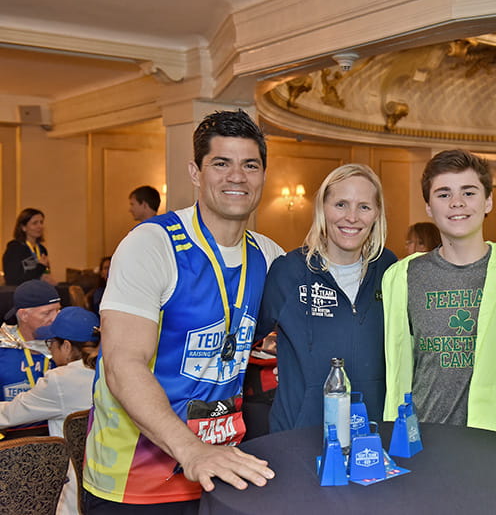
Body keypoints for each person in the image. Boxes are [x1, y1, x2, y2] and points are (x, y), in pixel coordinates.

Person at [84, 110, 284, 513]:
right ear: (195, 172)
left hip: (223, 470)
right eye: (221, 163)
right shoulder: (152, 245)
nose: (237, 177)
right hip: (136, 482)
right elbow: (123, 364)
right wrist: (192, 451)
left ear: (263, 175)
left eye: (250, 165)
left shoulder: (269, 255)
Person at [383, 150, 496, 440]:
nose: (457, 203)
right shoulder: (403, 276)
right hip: (425, 438)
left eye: (469, 192)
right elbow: (398, 366)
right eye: (443, 194)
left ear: (488, 200)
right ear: (428, 207)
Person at [257, 164, 396, 433]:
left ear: (377, 214)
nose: (352, 217)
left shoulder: (390, 269)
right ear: (323, 208)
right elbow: (250, 338)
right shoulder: (288, 271)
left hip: (374, 434)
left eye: (364, 207)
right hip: (299, 434)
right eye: (341, 204)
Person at [0, 306, 100, 515]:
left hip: (73, 494)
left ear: (66, 346)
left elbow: (10, 414)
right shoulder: (109, 367)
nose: (50, 350)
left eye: (51, 343)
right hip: (105, 482)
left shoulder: (62, 380)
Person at [0, 280, 61, 436]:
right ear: (24, 315)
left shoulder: (66, 346)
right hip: (9, 442)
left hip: (57, 438)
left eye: (58, 311)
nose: (55, 319)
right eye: (47, 313)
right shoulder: (3, 349)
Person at [3, 207, 57, 286]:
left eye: (41, 222)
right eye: (35, 223)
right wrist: (40, 267)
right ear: (23, 227)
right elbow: (12, 279)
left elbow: (44, 273)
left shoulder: (41, 249)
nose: (40, 226)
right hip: (19, 294)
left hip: (38, 291)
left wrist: (47, 278)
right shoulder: (15, 248)